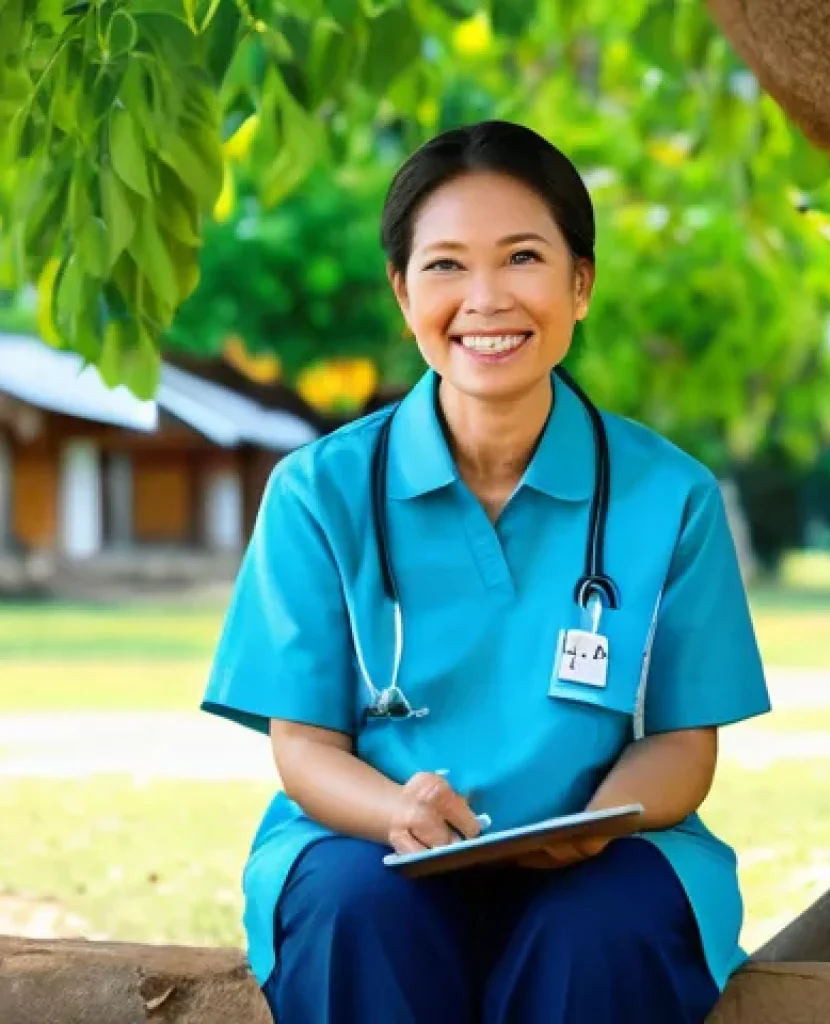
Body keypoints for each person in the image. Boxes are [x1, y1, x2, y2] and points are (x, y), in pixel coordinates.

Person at [202, 119, 772, 1024]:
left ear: (579, 284)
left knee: (604, 931)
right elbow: (304, 747)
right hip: (370, 845)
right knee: (359, 910)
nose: (486, 298)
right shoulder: (318, 492)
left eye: (521, 258)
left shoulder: (672, 497)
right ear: (401, 292)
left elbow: (682, 744)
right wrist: (395, 812)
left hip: (605, 857)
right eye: (444, 266)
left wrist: (598, 824)